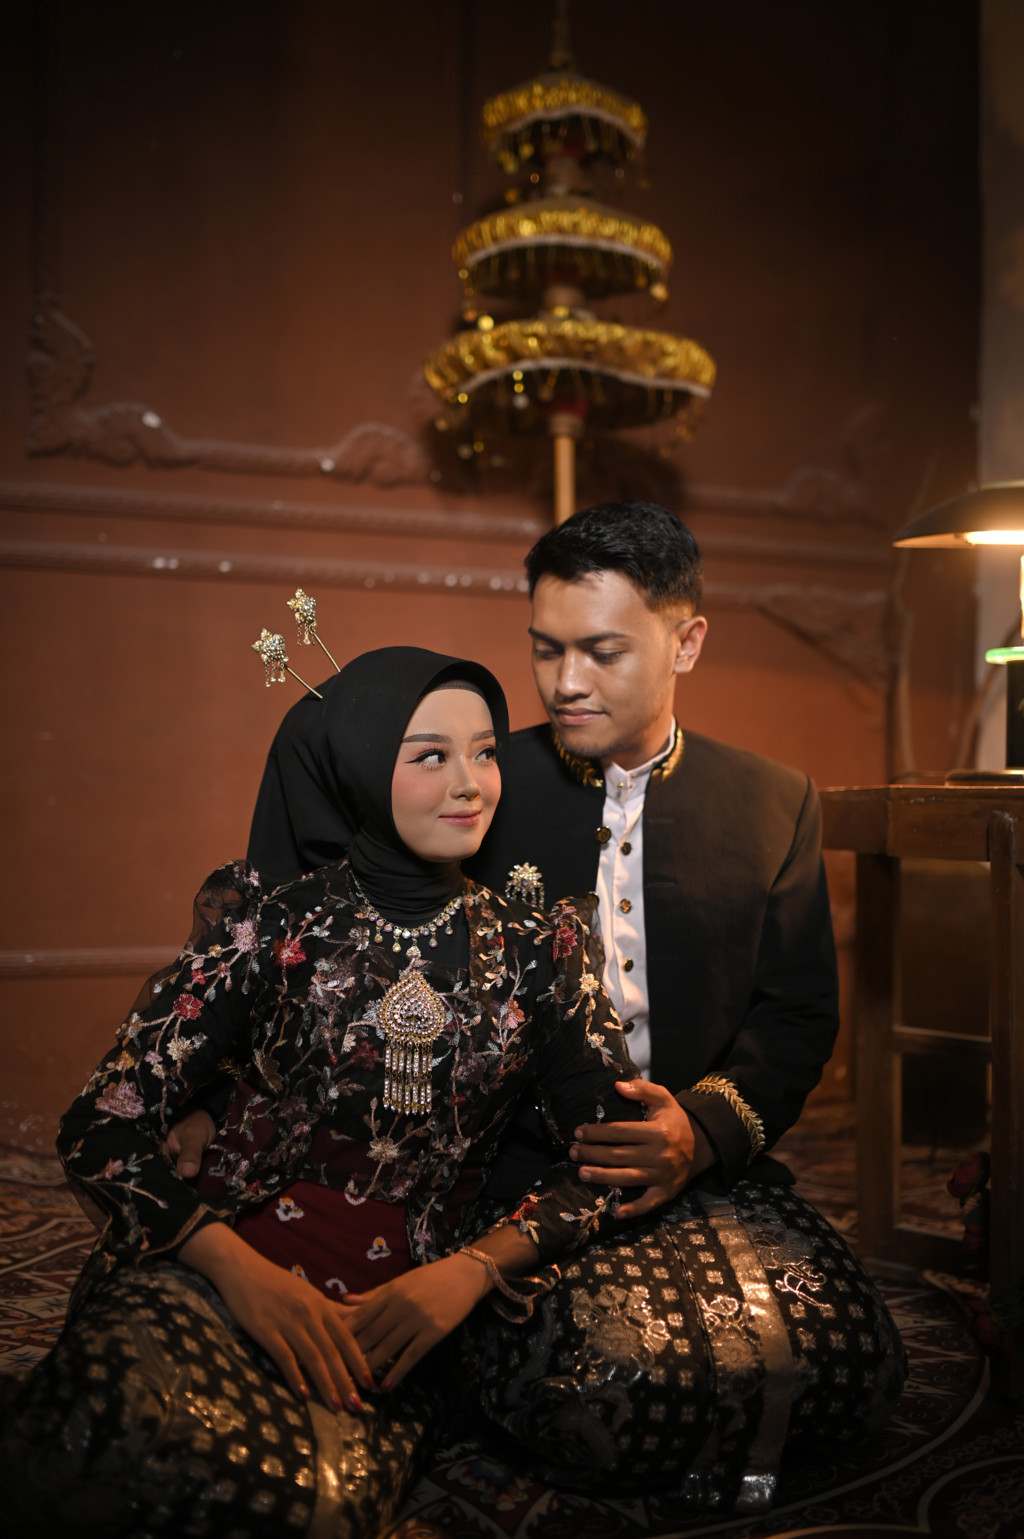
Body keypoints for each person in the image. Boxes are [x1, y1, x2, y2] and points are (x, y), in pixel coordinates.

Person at [213, 502, 906, 1513]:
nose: (566, 680)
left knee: (852, 1362)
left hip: (701, 1165)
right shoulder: (478, 786)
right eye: (546, 649)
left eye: (602, 651)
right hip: (512, 1172)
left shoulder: (772, 802)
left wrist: (698, 1132)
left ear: (686, 642)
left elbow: (795, 1016)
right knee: (597, 1388)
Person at [0, 648, 645, 1539]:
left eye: (485, 752)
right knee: (103, 1423)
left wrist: (473, 1270)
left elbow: (613, 1153)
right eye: (430, 755)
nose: (471, 784)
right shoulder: (274, 925)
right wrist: (235, 1271)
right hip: (222, 1266)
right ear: (361, 768)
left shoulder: (540, 948)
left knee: (308, 1503)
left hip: (401, 1320)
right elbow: (99, 1124)